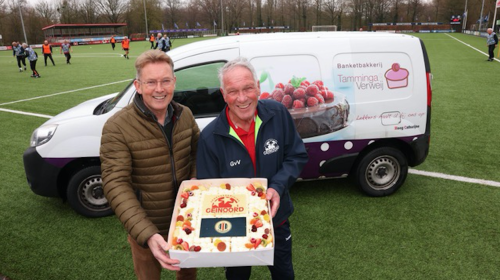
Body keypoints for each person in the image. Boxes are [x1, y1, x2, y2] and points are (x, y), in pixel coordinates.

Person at [196, 57, 308, 280]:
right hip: (232, 230)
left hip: (277, 221)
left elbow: (296, 155)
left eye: (248, 88)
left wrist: (277, 186)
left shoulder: (278, 114)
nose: (242, 98)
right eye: (233, 91)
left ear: (257, 87)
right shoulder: (210, 137)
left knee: (285, 275)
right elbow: (208, 193)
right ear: (223, 94)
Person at [100, 50, 199, 280]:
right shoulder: (117, 126)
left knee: (188, 275)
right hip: (145, 225)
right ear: (138, 85)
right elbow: (116, 183)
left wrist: (195, 179)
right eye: (151, 82)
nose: (159, 89)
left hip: (187, 223)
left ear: (174, 82)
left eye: (165, 81)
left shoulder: (185, 114)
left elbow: (197, 153)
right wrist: (146, 233)